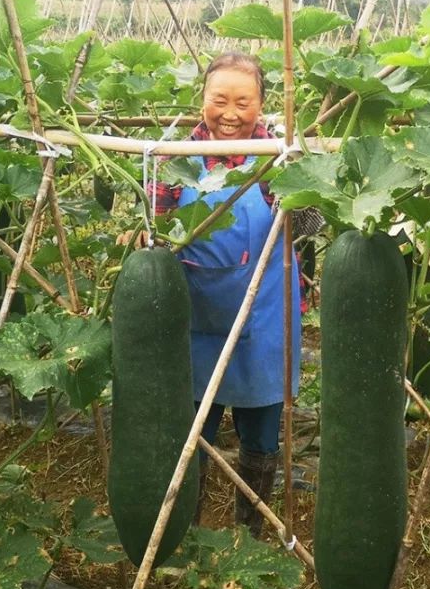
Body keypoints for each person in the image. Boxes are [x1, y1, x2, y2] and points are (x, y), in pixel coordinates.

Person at [121, 52, 301, 537]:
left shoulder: (281, 160)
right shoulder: (174, 161)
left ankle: (250, 528)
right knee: (193, 427)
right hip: (196, 313)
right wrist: (144, 238)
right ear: (202, 100)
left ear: (261, 104)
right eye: (218, 99)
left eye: (243, 101)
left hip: (262, 313)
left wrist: (304, 186)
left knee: (262, 429)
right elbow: (155, 231)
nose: (229, 112)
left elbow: (307, 228)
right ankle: (186, 525)